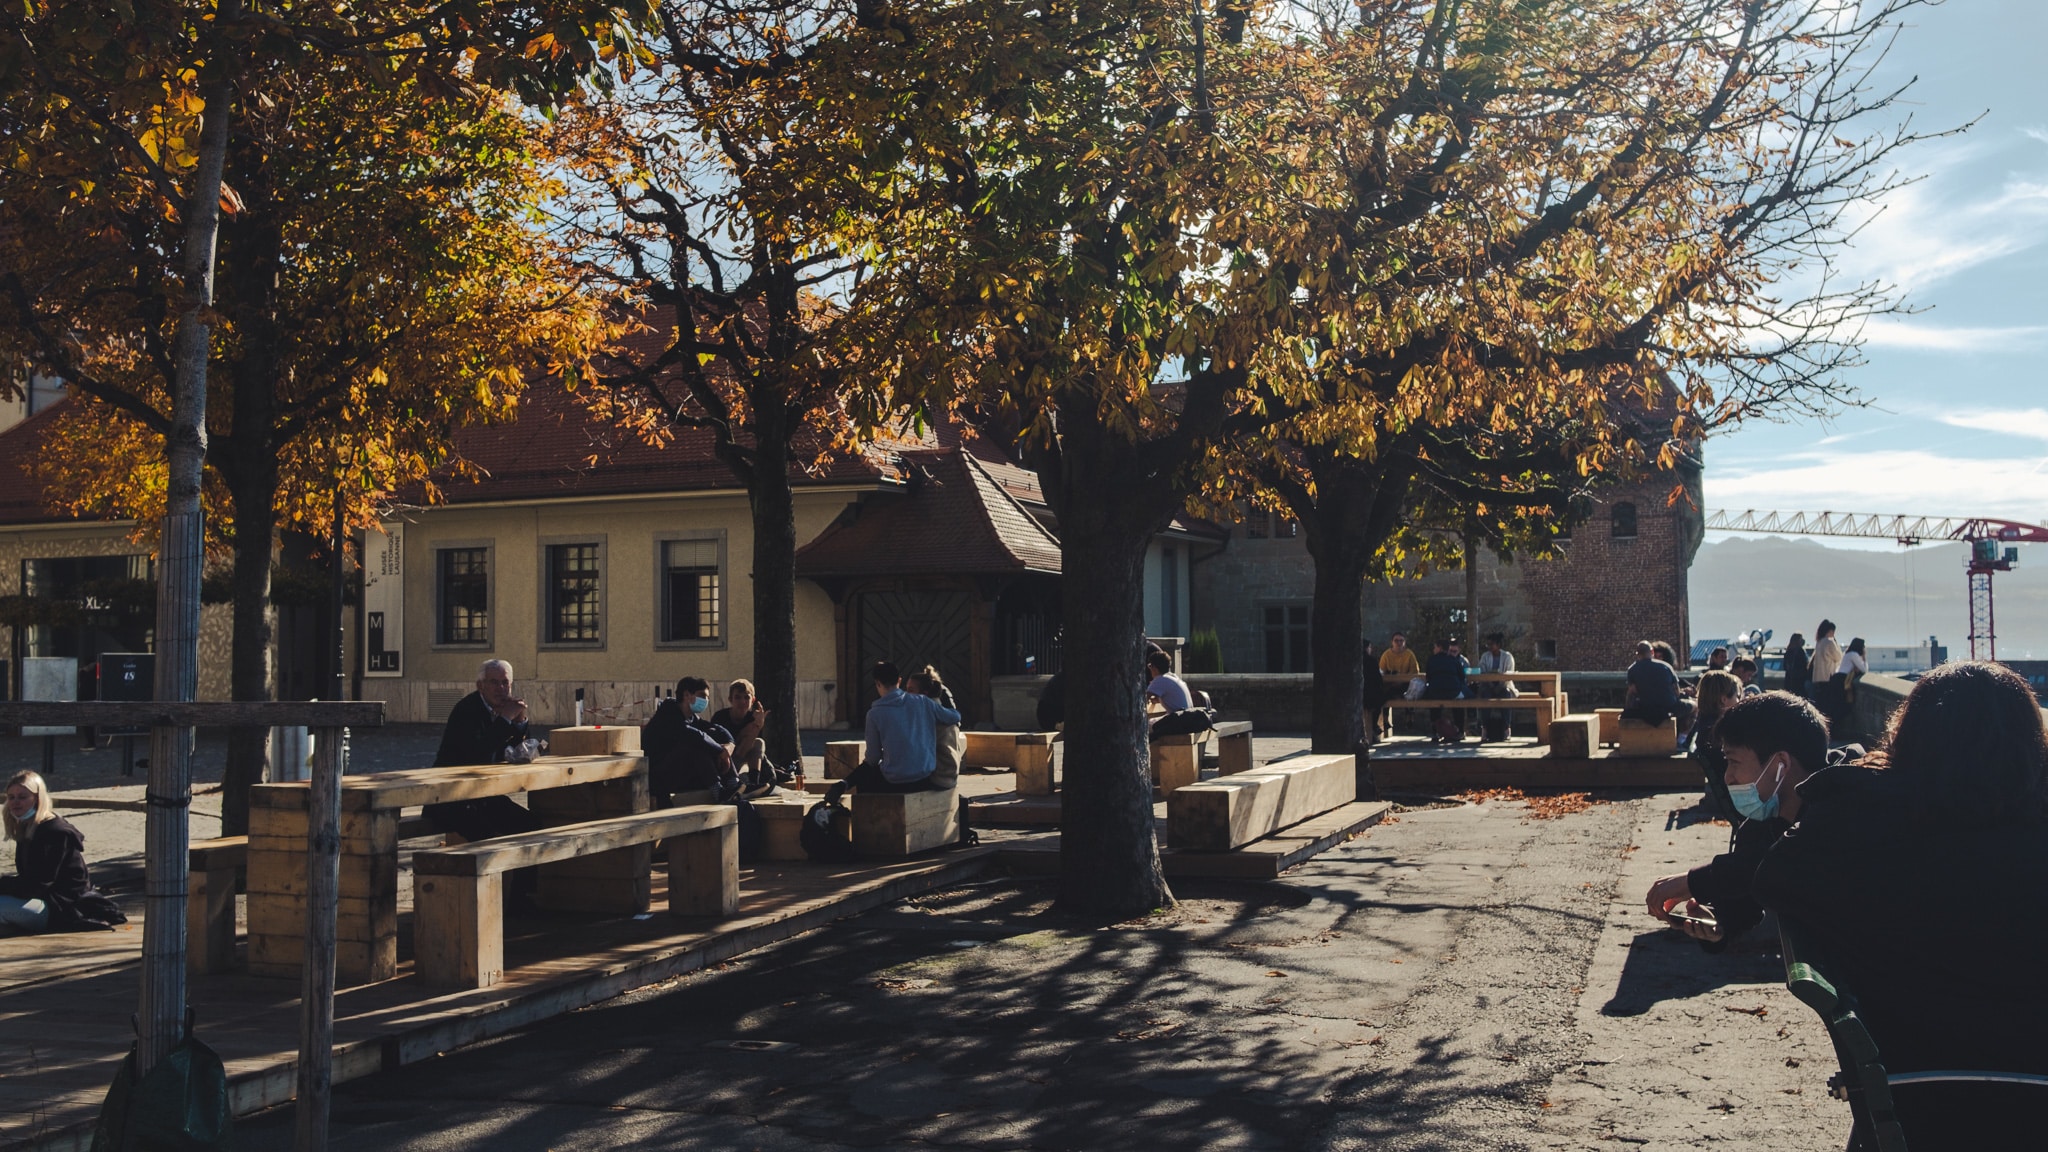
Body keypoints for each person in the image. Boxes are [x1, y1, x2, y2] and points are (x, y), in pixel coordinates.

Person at [1754, 662, 2048, 1149]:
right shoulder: (2028, 841)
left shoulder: (1860, 832)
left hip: (1912, 1099)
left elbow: (1774, 879)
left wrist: (1866, 784)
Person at [1644, 692, 1827, 953]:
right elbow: (1750, 893)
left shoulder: (1839, 806)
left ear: (1780, 765)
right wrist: (1720, 924)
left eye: (1733, 761)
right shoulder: (1760, 825)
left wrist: (1693, 882)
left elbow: (1777, 863)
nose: (1728, 777)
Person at [426, 659, 546, 844]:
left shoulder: (503, 709)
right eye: (494, 682)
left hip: (482, 795)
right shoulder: (467, 710)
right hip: (451, 798)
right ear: (480, 686)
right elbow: (479, 755)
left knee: (532, 828)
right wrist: (506, 718)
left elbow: (519, 754)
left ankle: (524, 874)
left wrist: (520, 721)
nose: (501, 688)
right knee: (489, 838)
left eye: (505, 683)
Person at [0, 771, 126, 936]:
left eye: (22, 797)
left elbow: (38, 884)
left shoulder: (54, 832)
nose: (15, 802)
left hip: (63, 908)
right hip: (44, 901)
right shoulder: (28, 828)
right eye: (11, 797)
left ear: (38, 798)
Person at [829, 662, 961, 798]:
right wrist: (941, 698)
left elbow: (873, 759)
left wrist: (846, 782)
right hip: (924, 778)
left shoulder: (874, 714)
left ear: (877, 684)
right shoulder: (923, 702)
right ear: (899, 680)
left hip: (894, 781)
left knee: (865, 782)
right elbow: (954, 717)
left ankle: (868, 813)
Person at [642, 676, 738, 802]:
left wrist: (729, 745)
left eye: (707, 697)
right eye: (702, 696)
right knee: (696, 745)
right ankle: (718, 791)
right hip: (658, 777)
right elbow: (693, 735)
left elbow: (717, 729)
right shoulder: (668, 714)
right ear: (687, 695)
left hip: (679, 772)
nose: (706, 700)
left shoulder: (691, 717)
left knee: (712, 736)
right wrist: (719, 751)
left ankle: (734, 784)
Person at [1624, 640, 1696, 742]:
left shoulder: (1632, 669)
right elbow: (1676, 692)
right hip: (1669, 708)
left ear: (1637, 654)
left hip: (1645, 709)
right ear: (1652, 652)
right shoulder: (1666, 666)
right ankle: (1681, 741)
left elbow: (1633, 691)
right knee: (1695, 707)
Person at [907, 665, 964, 789]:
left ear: (924, 693)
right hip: (948, 776)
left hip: (937, 777)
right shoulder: (942, 711)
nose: (906, 695)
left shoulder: (928, 713)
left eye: (910, 690)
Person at [710, 678, 772, 781]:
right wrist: (746, 732)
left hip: (745, 754)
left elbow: (750, 747)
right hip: (726, 761)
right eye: (737, 697)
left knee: (759, 742)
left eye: (746, 697)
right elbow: (726, 749)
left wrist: (757, 726)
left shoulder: (754, 718)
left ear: (752, 700)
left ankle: (754, 781)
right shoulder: (720, 717)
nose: (742, 702)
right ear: (730, 699)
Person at [1145, 650, 1212, 740]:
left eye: (1150, 666)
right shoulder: (1173, 677)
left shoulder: (1160, 679)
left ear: (1154, 668)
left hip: (1179, 721)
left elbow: (1142, 699)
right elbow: (1172, 697)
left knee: (1145, 727)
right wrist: (1157, 699)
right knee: (1152, 722)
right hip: (1188, 719)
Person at [1422, 638, 1469, 743]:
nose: (1434, 649)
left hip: (1435, 692)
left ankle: (1435, 732)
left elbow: (1428, 677)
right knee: (1459, 702)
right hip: (1453, 692)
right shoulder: (1454, 660)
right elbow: (1462, 677)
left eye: (1435, 647)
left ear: (1439, 647)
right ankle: (1460, 730)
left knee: (1433, 703)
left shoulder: (1431, 660)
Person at [1476, 633, 1519, 742]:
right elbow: (1482, 671)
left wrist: (1500, 685)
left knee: (1506, 695)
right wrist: (1490, 683)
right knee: (1485, 697)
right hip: (1488, 685)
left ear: (1498, 645)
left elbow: (1509, 674)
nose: (1490, 647)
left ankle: (1506, 728)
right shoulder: (1485, 656)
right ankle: (1484, 728)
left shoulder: (1508, 657)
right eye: (1488, 644)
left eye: (1492, 644)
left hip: (1503, 685)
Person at [1378, 633, 1421, 735]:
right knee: (1384, 694)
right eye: (1396, 640)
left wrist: (1403, 679)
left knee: (1410, 693)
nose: (1399, 643)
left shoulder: (1409, 654)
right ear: (1392, 642)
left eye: (1401, 640)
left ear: (1404, 642)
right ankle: (1385, 719)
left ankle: (1409, 717)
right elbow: (1381, 671)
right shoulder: (1386, 655)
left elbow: (1415, 672)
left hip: (1405, 683)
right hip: (1390, 683)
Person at [1781, 633, 1810, 698]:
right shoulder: (1800, 651)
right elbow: (1804, 665)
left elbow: (1785, 667)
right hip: (1799, 681)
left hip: (1789, 680)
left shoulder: (1788, 652)